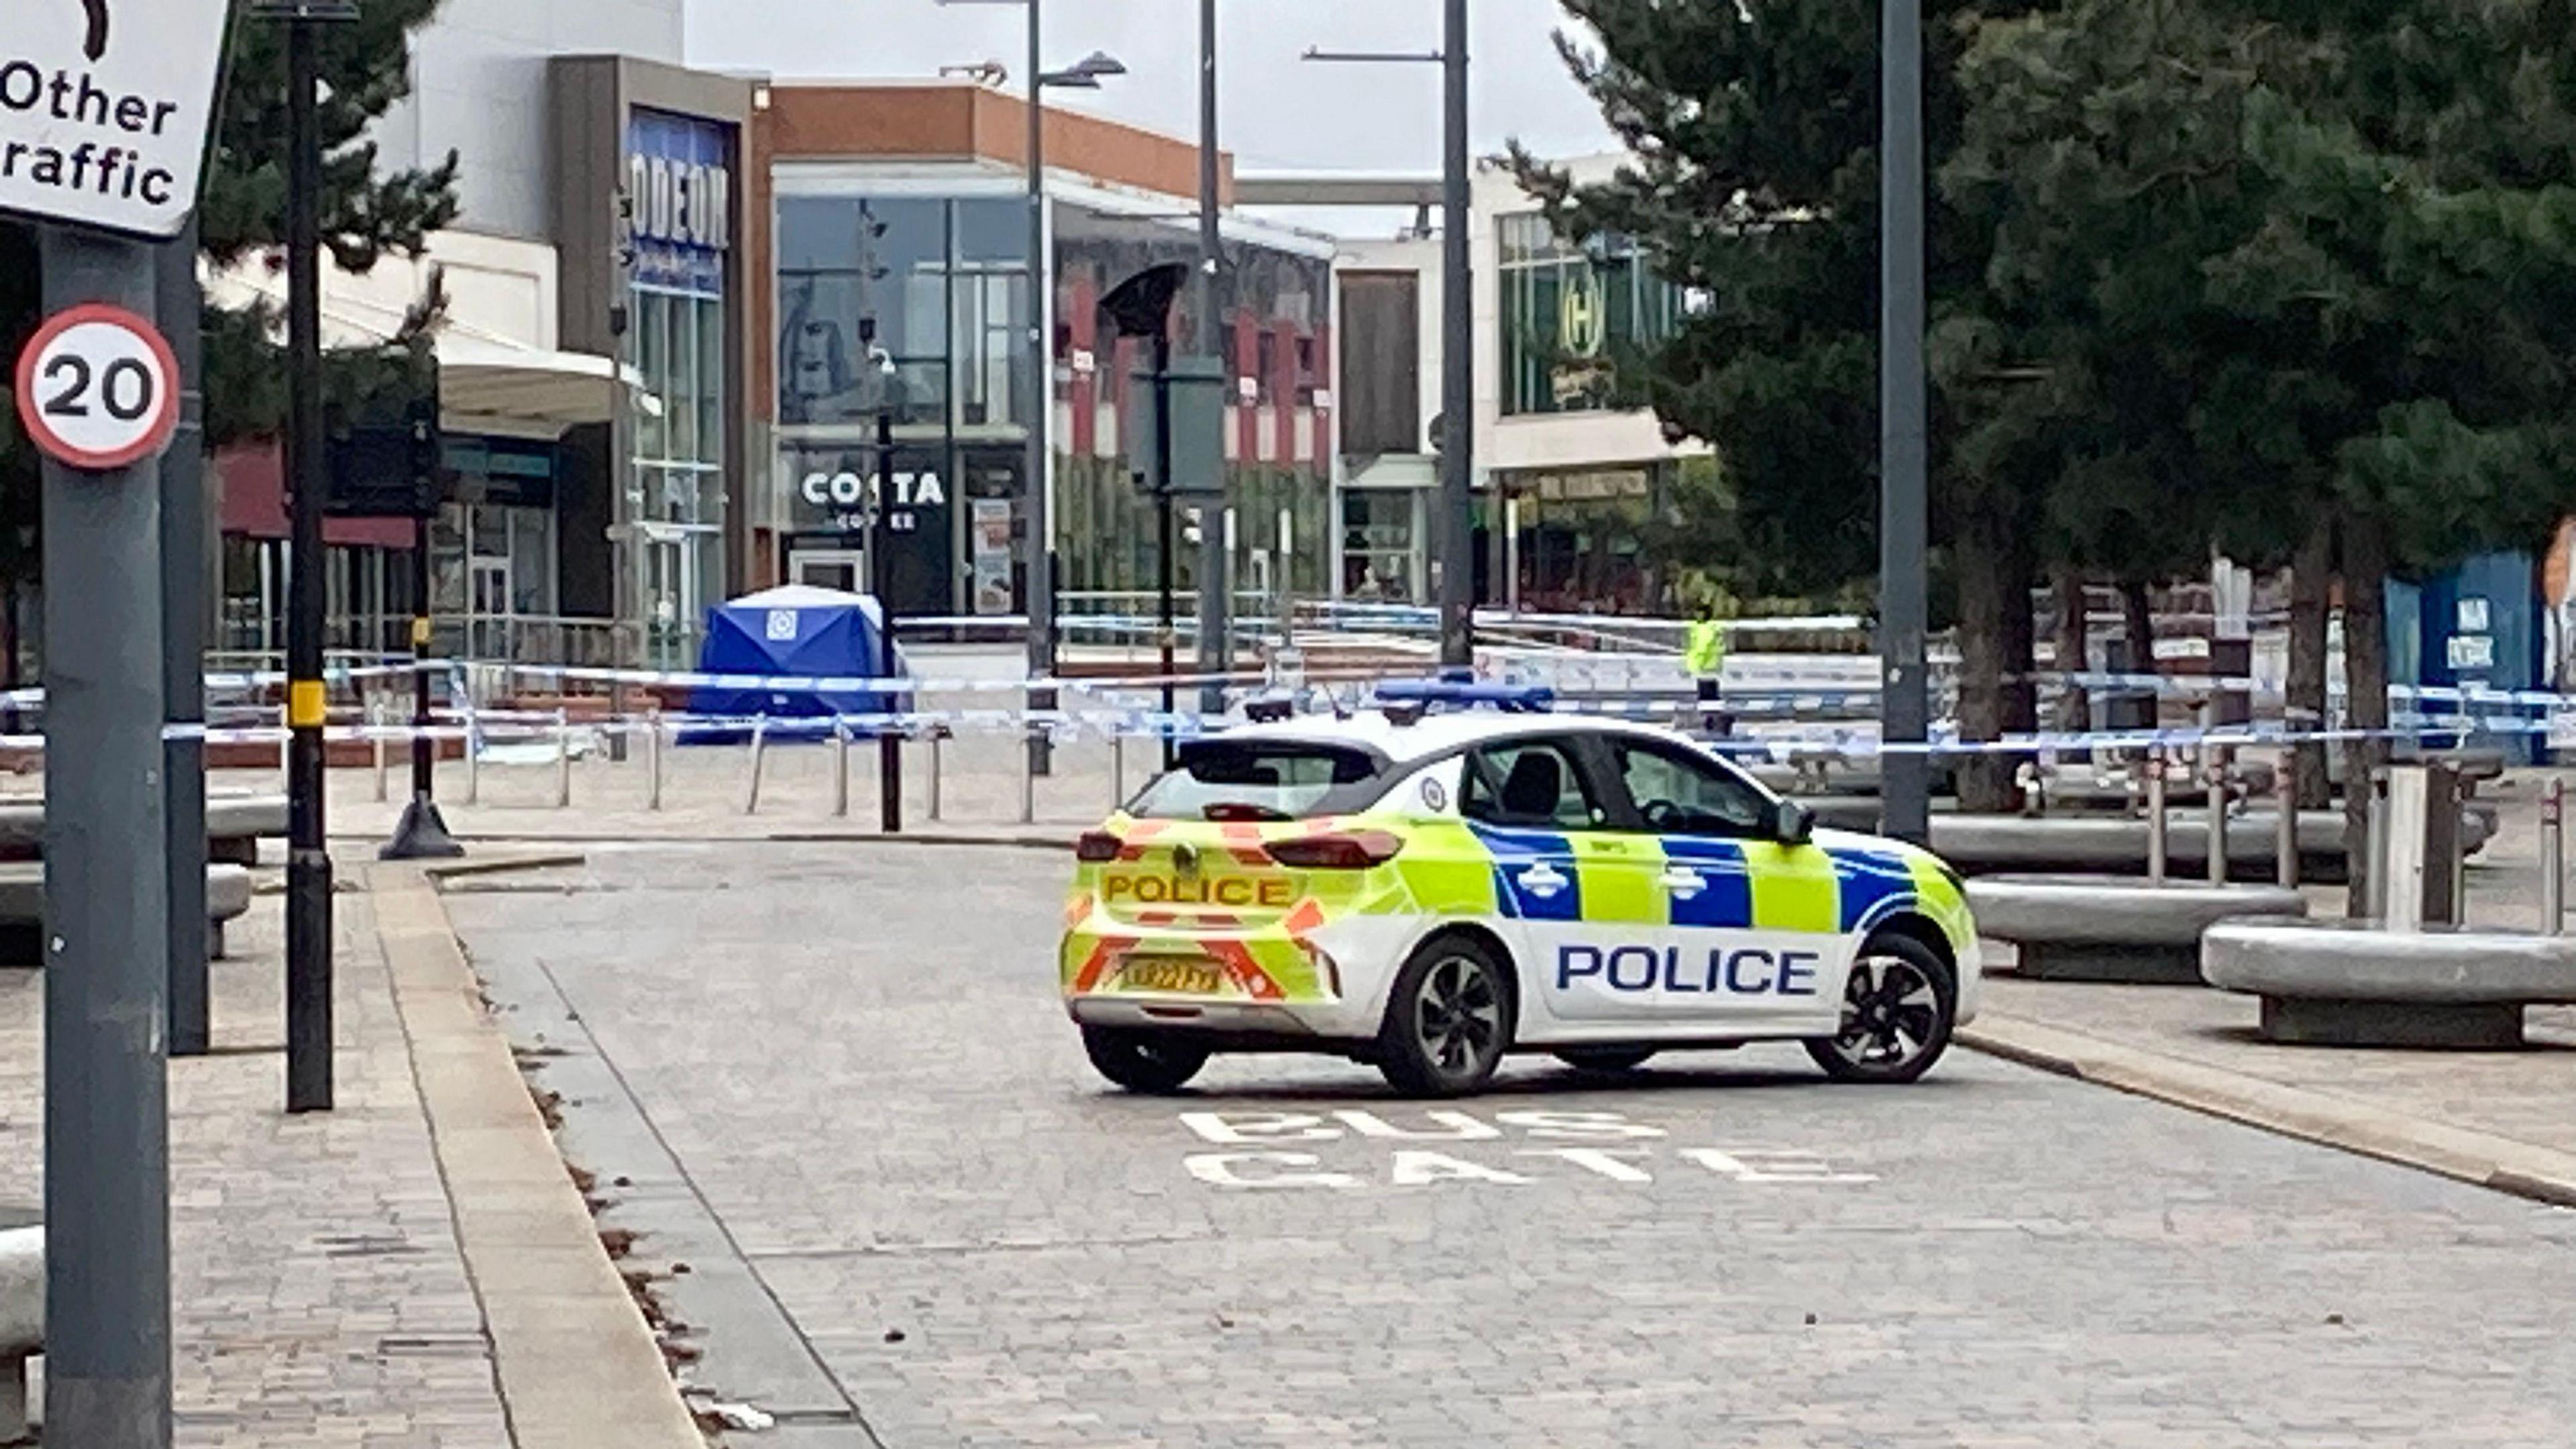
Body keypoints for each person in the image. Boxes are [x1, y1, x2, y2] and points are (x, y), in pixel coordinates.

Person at [1684, 600, 1734, 740]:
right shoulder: (1696, 627)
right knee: (1705, 697)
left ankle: (1715, 723)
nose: (1697, 615)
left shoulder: (1712, 628)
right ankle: (1710, 723)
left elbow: (1707, 647)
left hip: (1709, 667)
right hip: (1702, 667)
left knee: (1710, 697)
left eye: (1699, 612)